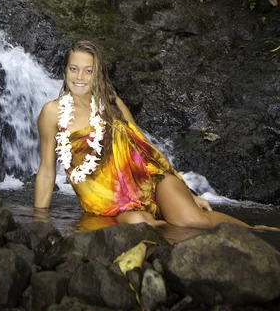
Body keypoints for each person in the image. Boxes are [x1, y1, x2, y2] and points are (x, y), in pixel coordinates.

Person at [33, 40, 260, 230]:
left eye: (88, 70)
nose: (80, 76)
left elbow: (144, 148)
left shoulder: (111, 104)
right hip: (112, 204)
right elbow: (46, 169)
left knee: (194, 221)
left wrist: (189, 195)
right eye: (74, 68)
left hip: (151, 181)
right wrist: (40, 218)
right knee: (139, 223)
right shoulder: (52, 113)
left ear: (98, 74)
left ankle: (257, 231)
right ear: (65, 71)